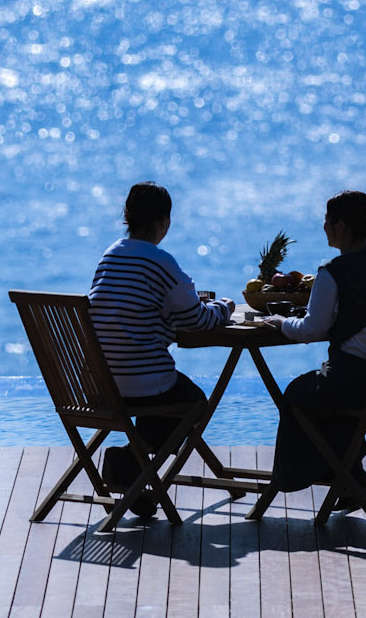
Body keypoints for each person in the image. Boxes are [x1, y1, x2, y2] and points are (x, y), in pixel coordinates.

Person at [88, 182, 234, 515]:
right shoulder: (160, 262)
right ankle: (131, 460)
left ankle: (134, 465)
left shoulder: (110, 257)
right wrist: (225, 307)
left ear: (127, 217)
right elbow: (196, 319)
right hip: (143, 385)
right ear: (164, 221)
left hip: (102, 386)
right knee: (194, 403)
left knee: (169, 395)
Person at [262, 191, 366, 499]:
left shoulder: (332, 271)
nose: (324, 226)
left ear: (342, 226)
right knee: (322, 384)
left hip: (350, 381)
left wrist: (281, 324)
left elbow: (312, 329)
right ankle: (347, 472)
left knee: (298, 392)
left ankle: (295, 475)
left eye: (327, 220)